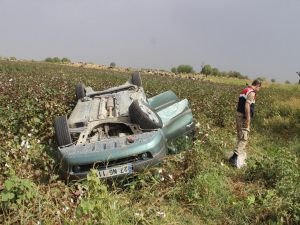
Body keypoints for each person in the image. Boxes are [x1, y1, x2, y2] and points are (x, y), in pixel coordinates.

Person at [229, 80, 262, 168]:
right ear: (257, 85)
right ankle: (234, 158)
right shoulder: (251, 93)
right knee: (244, 138)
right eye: (259, 88)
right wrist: (248, 119)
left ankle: (237, 156)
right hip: (243, 117)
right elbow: (247, 106)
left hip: (238, 115)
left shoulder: (245, 90)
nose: (259, 90)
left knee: (240, 136)